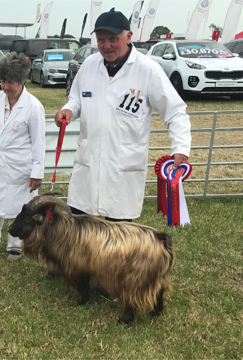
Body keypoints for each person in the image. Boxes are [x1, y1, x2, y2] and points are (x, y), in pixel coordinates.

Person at [55, 8, 191, 222]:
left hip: (123, 167)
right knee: (80, 234)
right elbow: (76, 99)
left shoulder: (148, 70)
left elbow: (175, 111)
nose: (106, 45)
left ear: (129, 36)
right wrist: (69, 109)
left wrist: (181, 147)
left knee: (117, 239)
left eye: (113, 39)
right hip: (89, 164)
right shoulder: (89, 65)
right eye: (101, 40)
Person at [0, 52, 46, 261]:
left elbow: (39, 142)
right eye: (3, 81)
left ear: (21, 80)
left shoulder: (33, 107)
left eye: (10, 82)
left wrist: (37, 172)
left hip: (19, 167)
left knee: (17, 206)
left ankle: (16, 245)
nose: (5, 86)